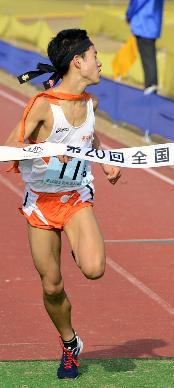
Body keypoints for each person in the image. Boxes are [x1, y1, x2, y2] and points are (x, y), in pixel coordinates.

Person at [4, 29, 121, 379]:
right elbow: (9, 149)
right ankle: (70, 344)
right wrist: (39, 150)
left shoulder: (90, 104)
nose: (100, 62)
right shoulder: (41, 107)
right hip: (40, 204)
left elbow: (88, 134)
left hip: (74, 198)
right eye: (94, 56)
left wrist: (103, 158)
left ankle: (77, 242)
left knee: (94, 268)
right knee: (52, 285)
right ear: (77, 62)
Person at [126, 0, 164, 94]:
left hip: (144, 25)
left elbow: (138, 2)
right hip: (149, 25)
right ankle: (150, 87)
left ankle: (151, 87)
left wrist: (128, 14)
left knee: (148, 59)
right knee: (148, 58)